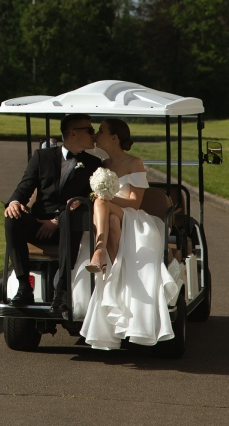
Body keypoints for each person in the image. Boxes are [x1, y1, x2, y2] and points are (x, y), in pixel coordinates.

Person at [80, 118, 179, 350]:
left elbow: (134, 204)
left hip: (134, 218)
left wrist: (103, 196)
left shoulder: (134, 162)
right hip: (112, 220)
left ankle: (100, 251)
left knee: (104, 206)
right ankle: (108, 263)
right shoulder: (102, 164)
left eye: (101, 131)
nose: (97, 134)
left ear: (114, 137)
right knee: (111, 221)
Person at [4, 112, 102, 314]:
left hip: (69, 226)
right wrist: (14, 202)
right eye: (90, 130)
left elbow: (90, 201)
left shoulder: (94, 165)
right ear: (73, 133)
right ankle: (24, 287)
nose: (94, 135)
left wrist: (56, 220)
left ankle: (62, 291)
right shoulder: (42, 156)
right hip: (39, 222)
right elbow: (24, 187)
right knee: (12, 218)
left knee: (70, 214)